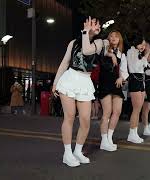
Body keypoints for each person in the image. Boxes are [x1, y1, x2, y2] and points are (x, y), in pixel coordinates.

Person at [52, 17, 104, 167]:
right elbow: (65, 62)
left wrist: (87, 33)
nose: (96, 25)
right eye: (93, 23)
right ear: (85, 25)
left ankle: (77, 151)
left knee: (86, 120)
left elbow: (87, 51)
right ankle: (67, 153)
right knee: (69, 117)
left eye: (98, 24)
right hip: (70, 78)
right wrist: (55, 83)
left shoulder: (100, 43)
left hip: (85, 81)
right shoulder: (73, 43)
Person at [98, 30, 128, 151]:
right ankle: (104, 141)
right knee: (107, 112)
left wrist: (122, 77)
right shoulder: (104, 46)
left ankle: (109, 138)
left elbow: (124, 71)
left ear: (120, 39)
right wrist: (112, 55)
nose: (114, 38)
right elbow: (103, 53)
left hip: (116, 83)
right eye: (111, 36)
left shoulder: (122, 55)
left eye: (116, 36)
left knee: (117, 111)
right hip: (105, 82)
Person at [126, 35, 150, 144]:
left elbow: (144, 66)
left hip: (140, 80)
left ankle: (134, 133)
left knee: (138, 109)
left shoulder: (139, 53)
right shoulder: (131, 51)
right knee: (136, 109)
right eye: (141, 44)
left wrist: (145, 56)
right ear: (136, 42)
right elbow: (135, 67)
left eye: (144, 45)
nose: (143, 47)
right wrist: (146, 55)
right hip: (134, 80)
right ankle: (131, 134)